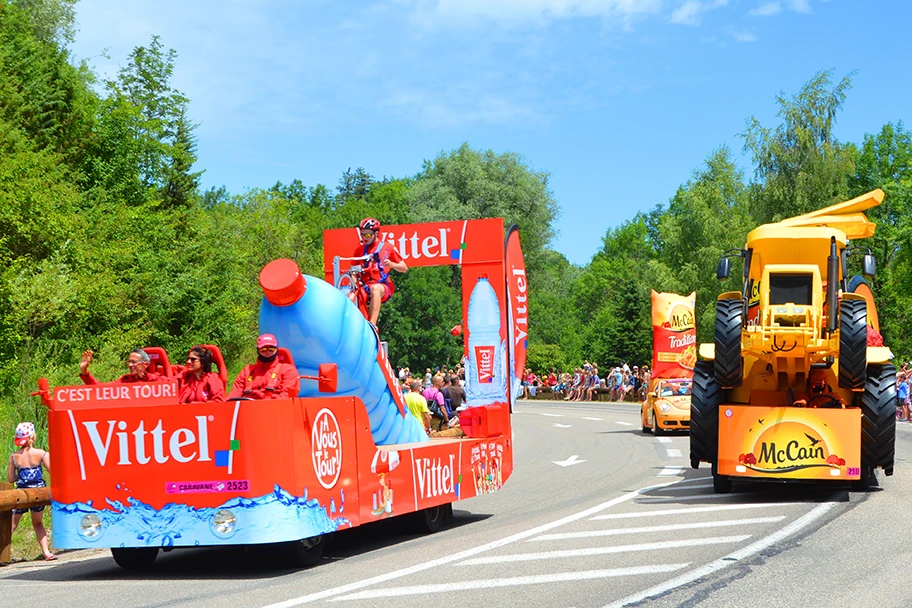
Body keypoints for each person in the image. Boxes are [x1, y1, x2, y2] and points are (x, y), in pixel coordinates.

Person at [7, 422, 56, 561]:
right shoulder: (41, 453)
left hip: (21, 494)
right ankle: (46, 552)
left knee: (11, 525)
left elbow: (10, 479)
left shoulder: (13, 457)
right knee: (38, 524)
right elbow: (53, 471)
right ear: (32, 437)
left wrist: (21, 476)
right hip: (38, 493)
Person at [354, 218, 408, 328]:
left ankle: (373, 324)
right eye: (363, 235)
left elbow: (404, 268)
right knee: (354, 295)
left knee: (375, 289)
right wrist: (354, 285)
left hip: (383, 286)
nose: (365, 238)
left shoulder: (388, 248)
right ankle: (360, 325)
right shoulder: (359, 250)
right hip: (365, 285)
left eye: (368, 235)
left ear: (376, 233)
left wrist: (392, 265)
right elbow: (352, 271)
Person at [227, 334, 300, 400]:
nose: (267, 352)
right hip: (249, 410)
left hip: (276, 411)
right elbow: (233, 397)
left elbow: (286, 397)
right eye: (263, 349)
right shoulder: (246, 371)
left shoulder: (288, 370)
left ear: (276, 349)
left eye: (271, 349)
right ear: (258, 350)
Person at [79, 348, 164, 384]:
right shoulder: (124, 381)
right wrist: (84, 371)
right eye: (129, 362)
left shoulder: (156, 380)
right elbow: (101, 390)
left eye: (134, 362)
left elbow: (176, 383)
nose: (130, 365)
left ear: (145, 364)